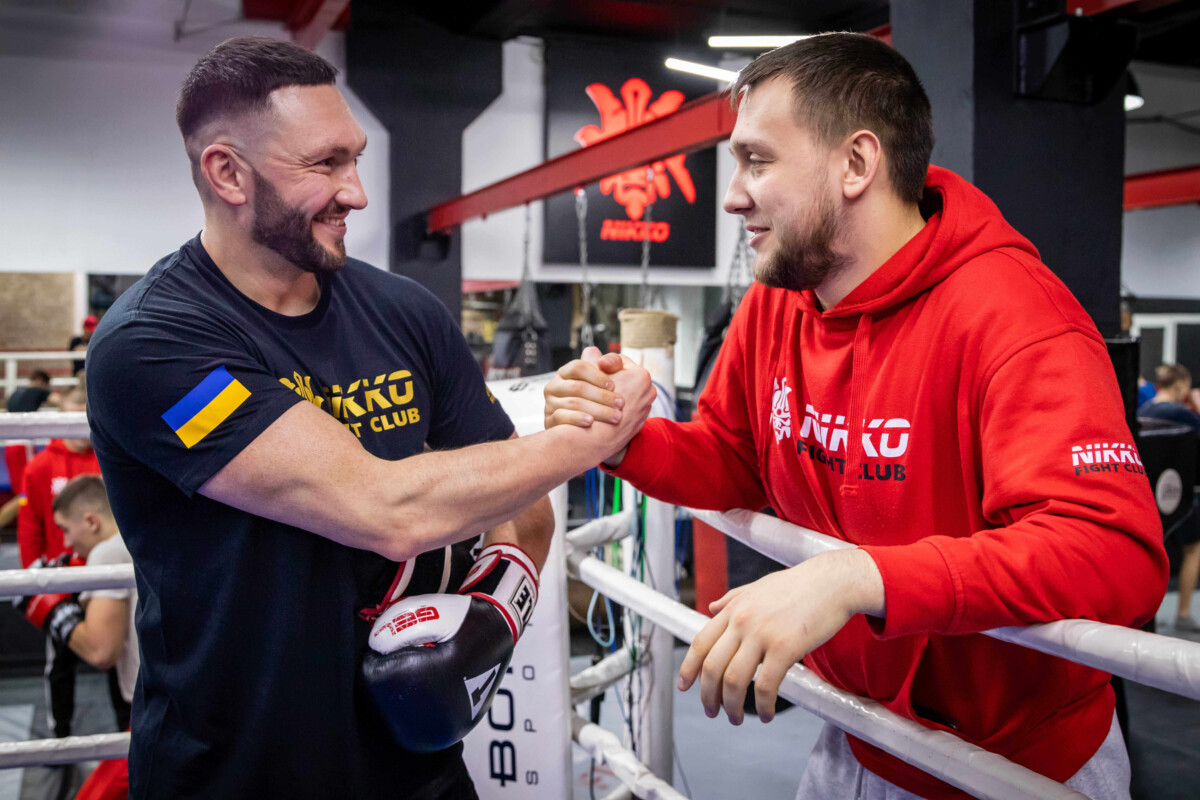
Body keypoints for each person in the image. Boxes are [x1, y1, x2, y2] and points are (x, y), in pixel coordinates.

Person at [545, 33, 1166, 800]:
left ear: (856, 164)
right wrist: (624, 439)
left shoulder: (1015, 317)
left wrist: (858, 576)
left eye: (757, 160)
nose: (732, 195)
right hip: (857, 734)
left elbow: (1114, 553)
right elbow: (736, 457)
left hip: (1017, 764)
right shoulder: (777, 304)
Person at [85, 36, 651, 799]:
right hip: (235, 776)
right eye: (324, 164)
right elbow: (384, 509)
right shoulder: (152, 344)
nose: (355, 192)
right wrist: (589, 437)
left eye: (354, 159)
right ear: (227, 173)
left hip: (420, 775)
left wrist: (490, 620)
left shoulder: (403, 311)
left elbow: (523, 514)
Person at [17, 385, 103, 741]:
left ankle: (129, 737)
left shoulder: (108, 456)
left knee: (122, 659)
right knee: (60, 665)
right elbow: (30, 527)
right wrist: (34, 580)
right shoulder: (40, 466)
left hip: (105, 575)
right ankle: (60, 736)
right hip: (61, 578)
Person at [51, 474, 137, 800]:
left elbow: (102, 651)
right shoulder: (138, 535)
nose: (66, 543)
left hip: (157, 707)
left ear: (91, 521)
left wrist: (53, 612)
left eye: (65, 529)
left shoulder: (107, 553)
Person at [1138, 363, 1200, 633]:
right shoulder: (1181, 413)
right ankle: (1183, 613)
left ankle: (1144, 614)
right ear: (1181, 385)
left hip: (1149, 499)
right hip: (1180, 497)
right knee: (1193, 549)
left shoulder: (1143, 410)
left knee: (1149, 555)